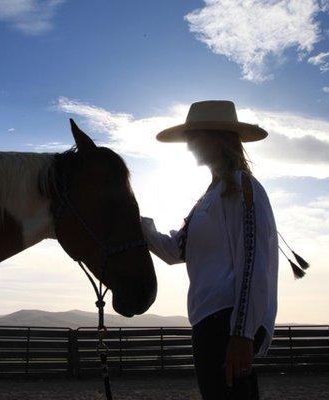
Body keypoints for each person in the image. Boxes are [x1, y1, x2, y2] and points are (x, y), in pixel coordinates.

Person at [141, 100, 278, 400]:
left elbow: (253, 261)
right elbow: (175, 250)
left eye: (194, 136)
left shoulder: (244, 189)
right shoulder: (209, 198)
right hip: (207, 321)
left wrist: (242, 333)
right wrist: (137, 223)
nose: (189, 144)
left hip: (228, 323)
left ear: (217, 137)